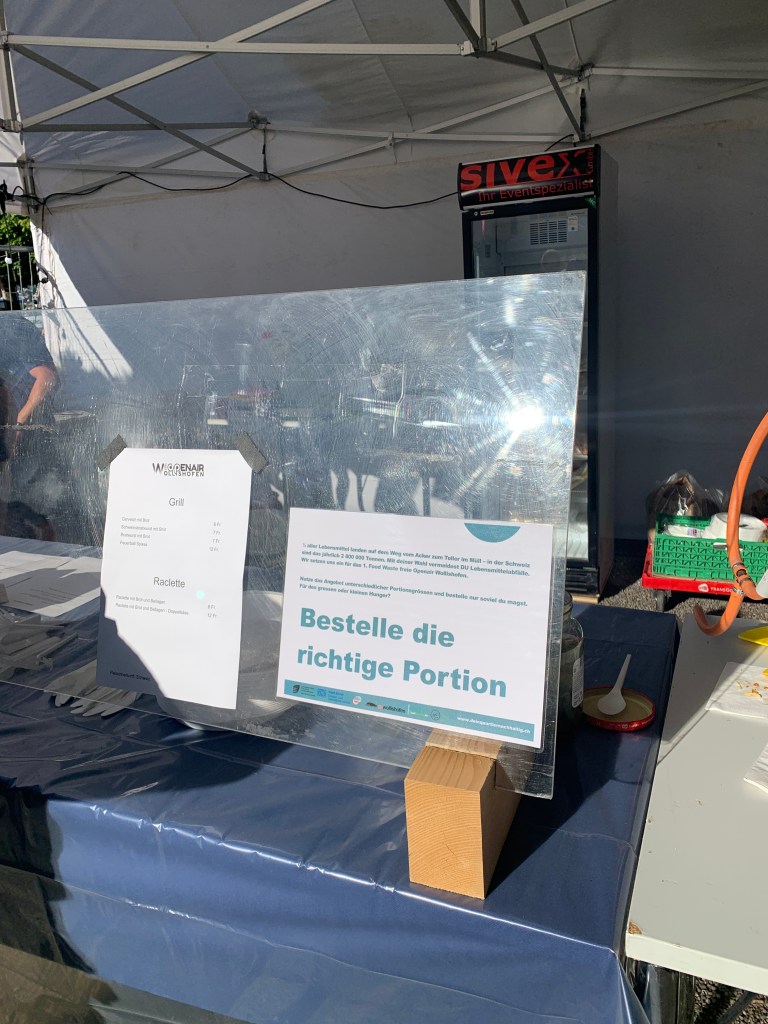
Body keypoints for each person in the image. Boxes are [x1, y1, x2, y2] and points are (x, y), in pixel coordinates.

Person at [0, 311, 60, 531]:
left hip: (28, 440)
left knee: (40, 504)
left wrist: (18, 425)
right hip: (10, 440)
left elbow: (47, 378)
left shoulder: (11, 328)